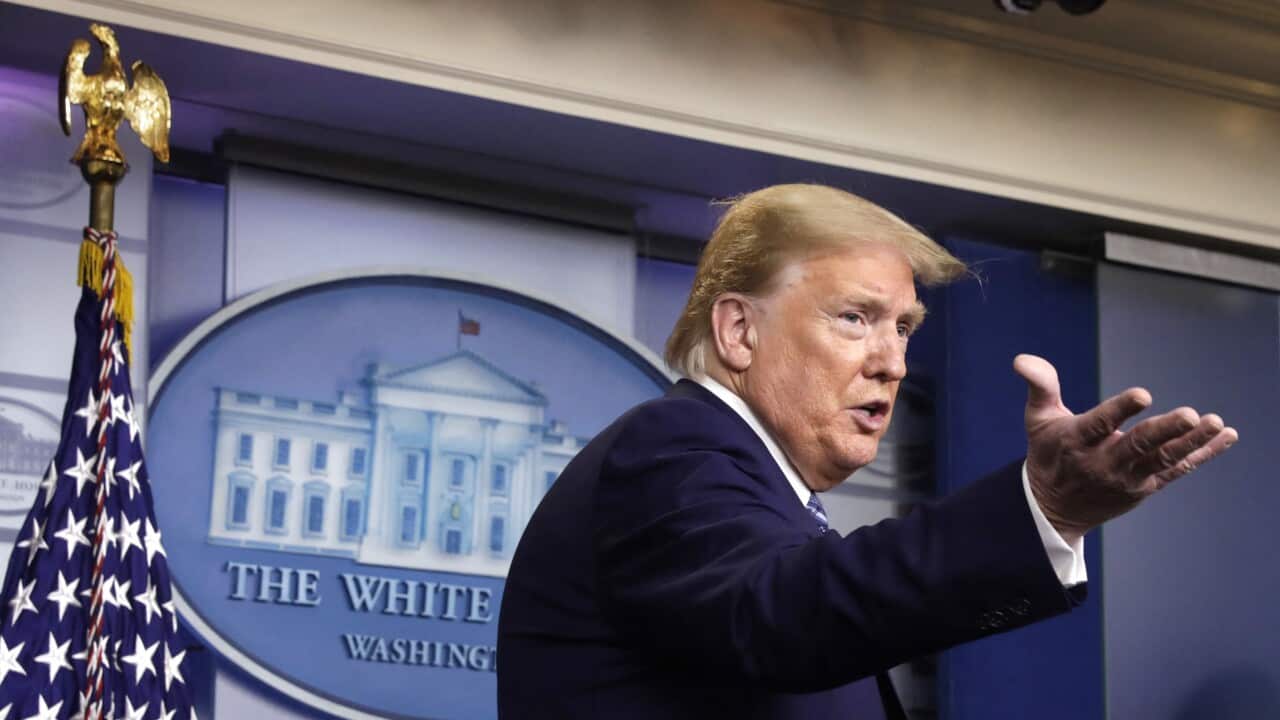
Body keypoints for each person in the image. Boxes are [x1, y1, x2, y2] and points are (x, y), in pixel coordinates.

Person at [496, 184, 1237, 719]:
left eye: (904, 328)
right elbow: (789, 616)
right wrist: (1041, 507)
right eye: (855, 318)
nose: (894, 363)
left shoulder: (764, 495)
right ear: (739, 332)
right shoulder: (675, 448)